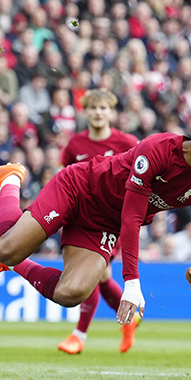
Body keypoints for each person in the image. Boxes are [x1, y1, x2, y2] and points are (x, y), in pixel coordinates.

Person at [0, 100, 191, 328]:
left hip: (104, 224)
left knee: (71, 293)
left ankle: (11, 265)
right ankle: (11, 179)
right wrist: (132, 282)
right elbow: (131, 217)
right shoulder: (159, 149)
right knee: (5, 248)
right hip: (78, 189)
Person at [56, 88, 139, 355]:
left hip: (111, 219)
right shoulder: (75, 145)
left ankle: (79, 335)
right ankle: (130, 318)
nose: (98, 113)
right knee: (101, 276)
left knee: (91, 274)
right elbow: (64, 178)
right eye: (93, 108)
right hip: (81, 216)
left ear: (111, 112)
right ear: (85, 112)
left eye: (103, 108)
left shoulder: (126, 143)